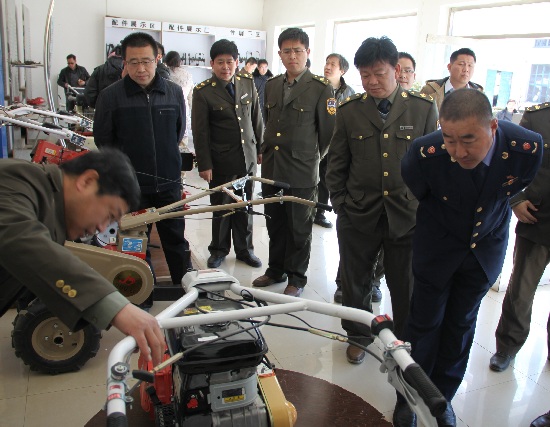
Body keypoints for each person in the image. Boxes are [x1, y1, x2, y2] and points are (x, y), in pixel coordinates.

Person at [396, 89, 542, 427]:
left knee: (461, 327)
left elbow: (512, 188)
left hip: (484, 250)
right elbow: (420, 190)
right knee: (423, 325)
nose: (458, 151)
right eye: (449, 139)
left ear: (492, 127)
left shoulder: (525, 147)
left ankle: (441, 398)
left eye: (468, 140)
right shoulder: (424, 153)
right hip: (438, 248)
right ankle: (410, 397)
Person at [325, 36, 438, 366]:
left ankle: (402, 341)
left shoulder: (421, 109)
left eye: (379, 73)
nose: (372, 82)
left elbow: (432, 166)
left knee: (405, 285)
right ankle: (358, 336)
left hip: (406, 214)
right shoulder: (349, 111)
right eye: (364, 75)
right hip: (358, 213)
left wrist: (425, 207)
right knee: (355, 281)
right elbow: (337, 163)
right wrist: (342, 204)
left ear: (396, 70)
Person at [0, 149, 165, 365]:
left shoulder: (50, 213)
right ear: (88, 181)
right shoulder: (16, 181)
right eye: (109, 214)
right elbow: (21, 240)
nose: (101, 228)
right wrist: (117, 308)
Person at [93, 32, 191, 306]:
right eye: (133, 62)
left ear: (157, 59)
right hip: (133, 186)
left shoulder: (172, 92)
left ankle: (184, 290)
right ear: (123, 62)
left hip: (169, 182)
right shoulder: (111, 97)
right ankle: (140, 296)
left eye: (146, 61)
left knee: (175, 239)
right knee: (134, 243)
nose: (141, 69)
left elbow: (178, 131)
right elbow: (104, 140)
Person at [252, 27, 336, 297]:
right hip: (273, 167)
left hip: (302, 171)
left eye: (297, 50)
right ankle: (276, 269)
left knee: (299, 228)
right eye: (286, 51)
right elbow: (268, 122)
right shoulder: (273, 84)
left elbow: (328, 135)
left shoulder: (322, 89)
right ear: (279, 54)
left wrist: (311, 157)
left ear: (307, 53)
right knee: (275, 223)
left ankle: (297, 279)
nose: (292, 56)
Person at [489, 101, 550, 373]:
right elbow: (513, 161)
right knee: (521, 290)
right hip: (538, 216)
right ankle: (508, 347)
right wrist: (516, 197)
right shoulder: (538, 117)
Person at [192, 39, 264, 269]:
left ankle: (245, 250)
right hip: (221, 160)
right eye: (220, 62)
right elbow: (200, 131)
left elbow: (256, 118)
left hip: (247, 158)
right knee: (221, 207)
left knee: (245, 205)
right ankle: (219, 250)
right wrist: (204, 163)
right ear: (212, 64)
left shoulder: (247, 83)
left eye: (230, 62)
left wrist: (260, 148)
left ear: (237, 62)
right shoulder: (203, 92)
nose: (226, 67)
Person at [315, 53, 355, 230]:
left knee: (326, 180)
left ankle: (320, 212)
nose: (327, 67)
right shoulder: (316, 87)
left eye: (332, 64)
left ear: (342, 70)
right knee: (311, 179)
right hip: (316, 142)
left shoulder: (349, 93)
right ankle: (306, 209)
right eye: (326, 63)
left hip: (336, 145)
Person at [164, 51, 194, 149]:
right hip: (183, 115)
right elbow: (191, 99)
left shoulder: (163, 73)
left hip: (166, 115)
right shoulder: (188, 75)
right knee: (182, 151)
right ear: (180, 61)